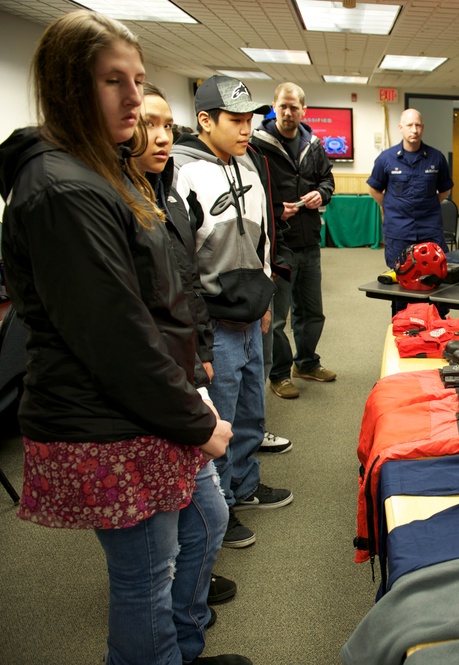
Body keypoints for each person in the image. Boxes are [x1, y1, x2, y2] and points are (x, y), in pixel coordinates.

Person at [0, 11, 248, 665]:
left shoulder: (106, 167)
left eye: (137, 80)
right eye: (114, 81)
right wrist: (195, 418)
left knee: (203, 526)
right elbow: (115, 334)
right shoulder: (60, 188)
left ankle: (184, 648)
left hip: (148, 403)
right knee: (145, 576)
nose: (135, 99)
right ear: (66, 85)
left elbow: (164, 284)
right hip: (110, 417)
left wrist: (191, 369)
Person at [172, 75, 293, 549]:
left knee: (249, 409)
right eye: (235, 121)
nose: (247, 130)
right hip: (215, 320)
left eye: (249, 120)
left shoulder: (248, 166)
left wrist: (264, 299)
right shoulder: (183, 173)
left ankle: (244, 485)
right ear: (206, 121)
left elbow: (262, 238)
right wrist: (198, 335)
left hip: (250, 313)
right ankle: (218, 509)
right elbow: (183, 262)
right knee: (218, 421)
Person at [135, 81, 238, 608]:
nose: (159, 137)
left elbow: (183, 283)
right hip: (149, 393)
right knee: (150, 560)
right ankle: (177, 619)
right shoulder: (113, 202)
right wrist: (191, 395)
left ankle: (186, 611)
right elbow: (126, 327)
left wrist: (199, 351)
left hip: (182, 367)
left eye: (163, 125)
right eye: (144, 123)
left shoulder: (166, 187)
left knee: (203, 513)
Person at [251, 82, 337, 400]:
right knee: (277, 319)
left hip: (309, 242)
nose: (287, 113)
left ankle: (307, 363)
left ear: (304, 110)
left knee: (312, 311)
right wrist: (276, 210)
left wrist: (322, 192)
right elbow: (252, 191)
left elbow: (327, 179)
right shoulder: (257, 145)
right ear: (274, 107)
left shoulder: (313, 144)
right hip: (279, 246)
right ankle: (279, 374)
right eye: (282, 106)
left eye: (293, 107)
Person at [367, 108, 454, 315]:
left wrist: (428, 205)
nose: (414, 130)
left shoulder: (436, 157)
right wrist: (392, 207)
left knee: (436, 280)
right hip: (399, 232)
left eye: (418, 125)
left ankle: (438, 326)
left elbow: (445, 190)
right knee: (401, 283)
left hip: (429, 229)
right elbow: (374, 189)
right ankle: (403, 326)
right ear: (400, 128)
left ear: (422, 127)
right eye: (409, 125)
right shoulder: (386, 159)